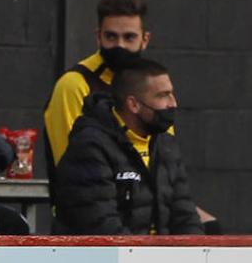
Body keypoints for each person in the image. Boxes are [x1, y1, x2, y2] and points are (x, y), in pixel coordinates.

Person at [54, 60, 202, 236]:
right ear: (133, 104)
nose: (173, 103)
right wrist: (147, 260)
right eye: (163, 95)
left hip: (156, 258)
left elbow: (186, 217)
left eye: (172, 94)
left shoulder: (166, 145)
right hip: (107, 259)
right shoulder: (90, 146)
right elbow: (102, 226)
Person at [43, 0, 151, 175]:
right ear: (98, 37)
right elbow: (72, 168)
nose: (120, 46)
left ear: (145, 40)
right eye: (111, 36)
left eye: (129, 37)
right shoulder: (74, 85)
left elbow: (166, 162)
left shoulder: (152, 86)